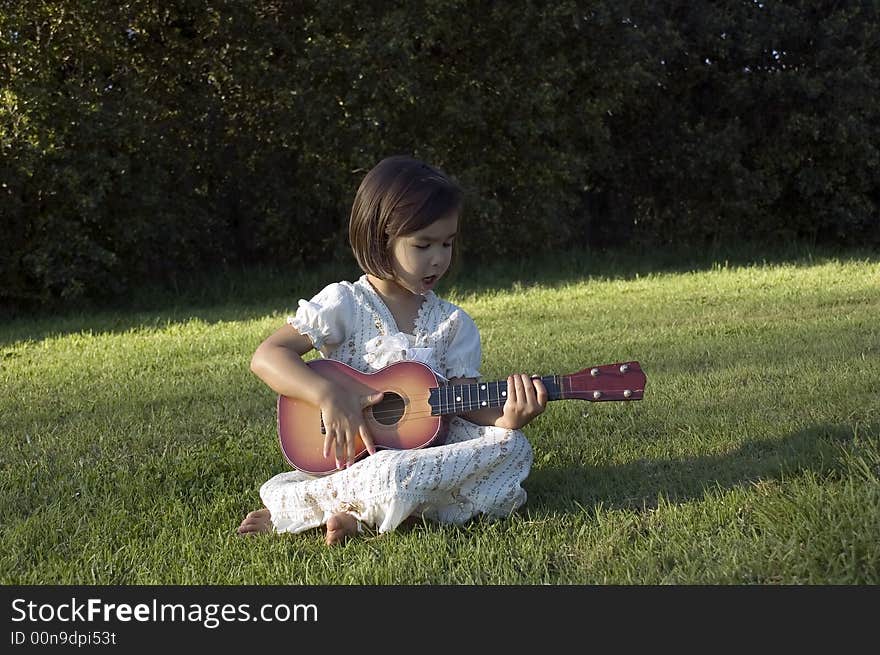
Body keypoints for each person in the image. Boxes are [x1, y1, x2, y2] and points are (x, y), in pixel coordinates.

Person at [238, 155, 547, 545]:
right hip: (349, 458)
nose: (438, 258)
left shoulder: (453, 323)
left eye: (447, 243)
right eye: (423, 244)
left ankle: (347, 512)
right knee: (385, 470)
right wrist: (328, 394)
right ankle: (373, 504)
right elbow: (268, 356)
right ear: (381, 237)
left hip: (420, 455)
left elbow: (465, 401)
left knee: (511, 448)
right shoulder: (345, 304)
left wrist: (509, 417)